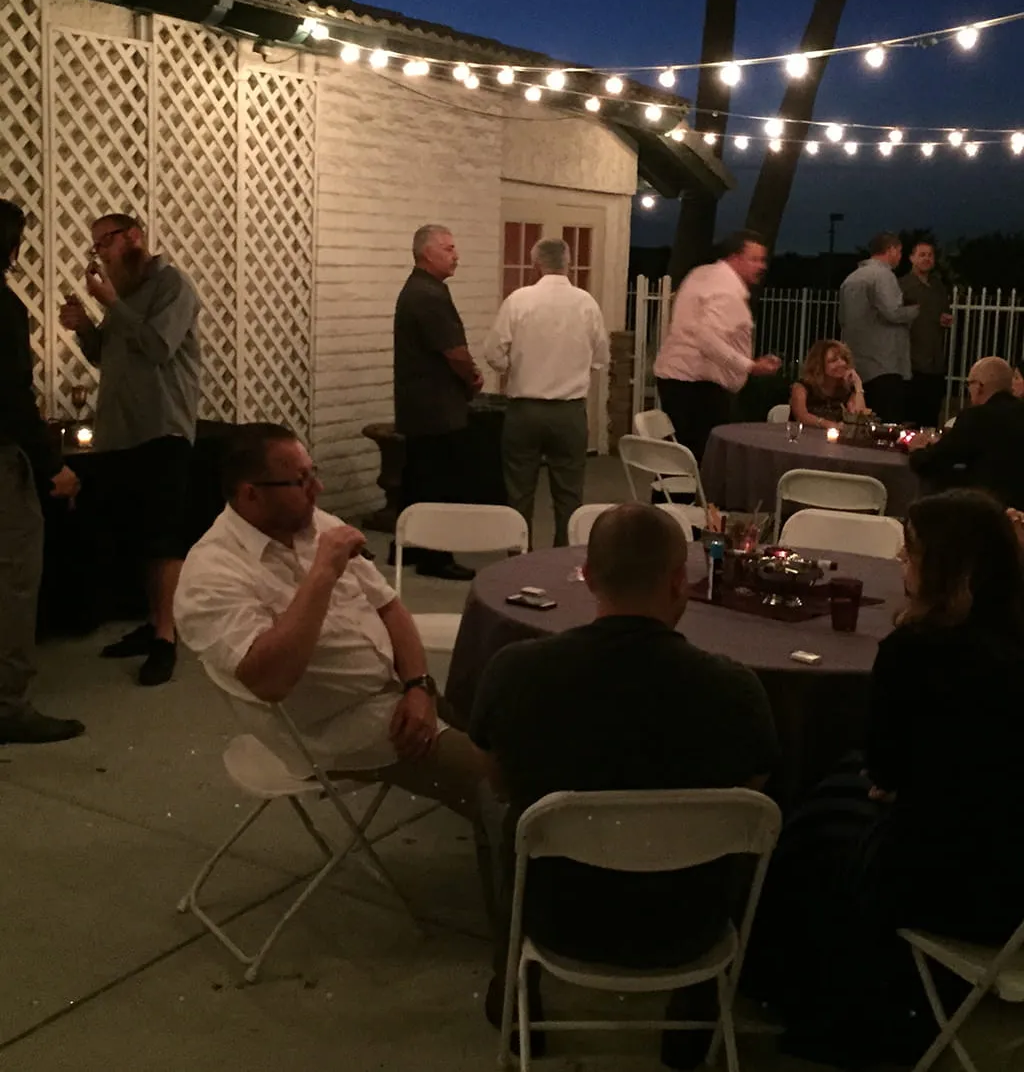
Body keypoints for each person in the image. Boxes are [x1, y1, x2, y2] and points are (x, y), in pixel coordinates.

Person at [470, 503, 778, 1068]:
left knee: (507, 814)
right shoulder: (736, 691)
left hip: (556, 916)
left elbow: (499, 778)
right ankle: (695, 1013)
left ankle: (513, 989)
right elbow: (754, 785)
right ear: (677, 582)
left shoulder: (516, 672)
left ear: (588, 577)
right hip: (689, 925)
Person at [747, 490, 1024, 1066]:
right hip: (1014, 875)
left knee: (818, 818)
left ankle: (801, 993)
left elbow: (887, 768)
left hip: (951, 881)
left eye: (911, 554)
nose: (903, 564)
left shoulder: (917, 652)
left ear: (950, 569)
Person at [174, 423, 488, 813]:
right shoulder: (211, 575)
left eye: (313, 473)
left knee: (509, 728)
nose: (316, 490)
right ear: (250, 494)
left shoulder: (314, 522)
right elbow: (270, 680)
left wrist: (419, 686)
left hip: (400, 690)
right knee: (498, 782)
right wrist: (322, 572)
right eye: (299, 481)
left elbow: (389, 607)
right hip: (337, 731)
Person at [58, 214, 201, 686]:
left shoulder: (171, 285)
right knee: (138, 534)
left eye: (106, 243)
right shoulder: (127, 294)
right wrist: (84, 328)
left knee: (163, 536)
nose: (100, 253)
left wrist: (112, 303)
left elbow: (158, 346)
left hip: (162, 430)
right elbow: (109, 354)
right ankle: (149, 624)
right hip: (120, 432)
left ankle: (166, 637)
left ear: (134, 238)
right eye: (96, 246)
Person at [0, 200, 84, 745]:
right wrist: (53, 466)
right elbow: (10, 396)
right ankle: (7, 705)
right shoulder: (3, 309)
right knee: (11, 582)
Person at [483, 238, 609, 547]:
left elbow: (492, 353)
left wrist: (513, 368)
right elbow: (601, 358)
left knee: (519, 489)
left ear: (535, 265)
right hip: (569, 412)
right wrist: (573, 372)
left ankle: (519, 553)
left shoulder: (519, 300)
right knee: (568, 492)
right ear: (568, 263)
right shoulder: (586, 303)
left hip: (524, 410)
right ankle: (560, 556)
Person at [392, 224, 482, 580]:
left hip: (418, 405)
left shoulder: (418, 289)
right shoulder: (429, 295)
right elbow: (454, 351)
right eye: (448, 248)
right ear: (426, 253)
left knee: (416, 476)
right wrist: (471, 375)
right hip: (437, 407)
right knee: (440, 482)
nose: (456, 255)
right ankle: (436, 556)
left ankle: (409, 545)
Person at [653, 230, 781, 462]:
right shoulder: (726, 290)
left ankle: (666, 497)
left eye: (763, 259)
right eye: (754, 259)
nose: (761, 266)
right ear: (734, 257)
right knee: (703, 457)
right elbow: (707, 339)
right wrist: (750, 366)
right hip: (698, 385)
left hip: (677, 377)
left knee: (681, 455)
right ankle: (693, 499)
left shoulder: (702, 273)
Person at [907, 356, 1024, 509]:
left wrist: (917, 450)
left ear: (979, 387)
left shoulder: (977, 417)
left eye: (969, 384)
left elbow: (932, 462)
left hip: (986, 511)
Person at [838, 231, 918, 424]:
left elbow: (843, 319)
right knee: (887, 423)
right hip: (885, 364)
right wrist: (915, 311)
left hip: (858, 363)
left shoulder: (851, 279)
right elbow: (893, 311)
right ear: (890, 250)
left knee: (860, 424)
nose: (900, 256)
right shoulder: (883, 276)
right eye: (898, 251)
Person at [899, 237, 952, 428]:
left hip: (935, 363)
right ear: (912, 258)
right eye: (922, 255)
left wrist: (946, 319)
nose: (926, 259)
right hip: (912, 363)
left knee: (931, 419)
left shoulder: (938, 286)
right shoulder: (902, 286)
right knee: (909, 419)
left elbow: (945, 314)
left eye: (930, 255)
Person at [789, 339, 868, 429]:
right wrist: (831, 425)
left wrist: (858, 386)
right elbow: (801, 416)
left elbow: (859, 417)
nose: (841, 363)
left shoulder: (847, 388)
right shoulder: (802, 386)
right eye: (833, 360)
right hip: (805, 437)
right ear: (819, 365)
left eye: (843, 359)